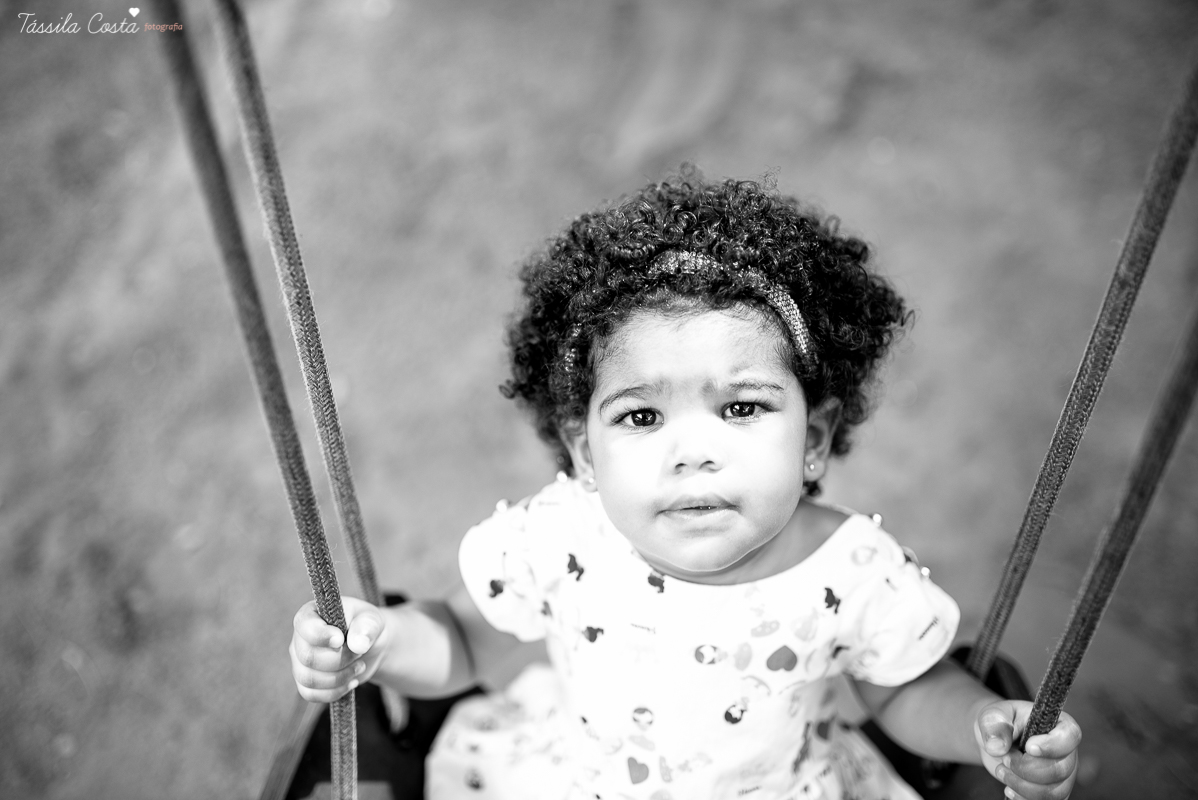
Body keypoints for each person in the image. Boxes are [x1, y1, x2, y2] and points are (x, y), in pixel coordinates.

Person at [289, 172, 1081, 800]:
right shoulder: (565, 537)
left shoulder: (852, 569)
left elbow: (902, 694)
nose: (691, 452)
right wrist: (380, 646)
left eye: (740, 407)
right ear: (584, 453)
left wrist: (984, 726)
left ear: (812, 439)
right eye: (640, 418)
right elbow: (462, 644)